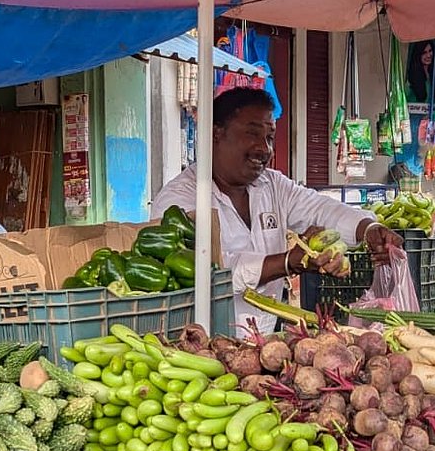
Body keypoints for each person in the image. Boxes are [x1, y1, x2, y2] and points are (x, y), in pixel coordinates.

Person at [150, 87, 404, 333]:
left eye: (269, 137)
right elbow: (210, 268)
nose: (265, 149)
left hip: (268, 341)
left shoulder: (273, 185)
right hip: (203, 345)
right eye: (252, 134)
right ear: (216, 134)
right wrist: (286, 262)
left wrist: (368, 228)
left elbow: (321, 209)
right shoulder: (179, 200)